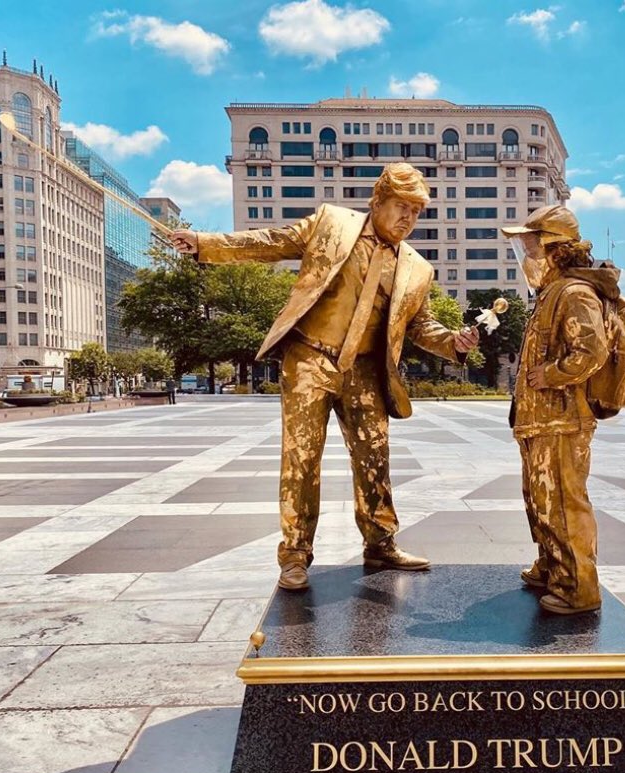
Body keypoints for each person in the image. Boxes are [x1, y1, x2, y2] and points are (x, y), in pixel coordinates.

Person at [170, 163, 479, 592]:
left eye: (416, 211)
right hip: (310, 360)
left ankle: (380, 542)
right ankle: (295, 555)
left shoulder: (417, 269)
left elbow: (421, 326)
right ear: (378, 202)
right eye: (400, 207)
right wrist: (205, 244)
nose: (408, 218)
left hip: (367, 371)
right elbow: (271, 242)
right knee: (301, 459)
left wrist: (453, 343)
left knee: (374, 457)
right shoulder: (332, 223)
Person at [502, 205, 613, 615]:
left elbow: (592, 350)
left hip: (562, 420)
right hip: (539, 421)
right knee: (541, 500)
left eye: (531, 246)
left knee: (565, 503)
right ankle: (553, 567)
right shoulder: (551, 293)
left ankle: (579, 587)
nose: (527, 255)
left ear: (554, 248)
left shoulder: (574, 292)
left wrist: (551, 374)